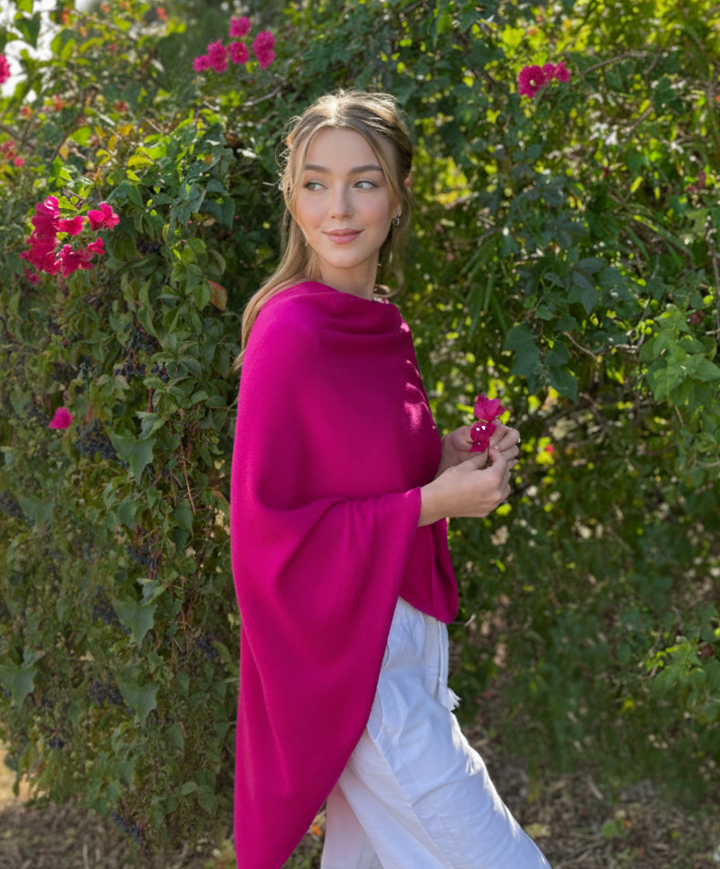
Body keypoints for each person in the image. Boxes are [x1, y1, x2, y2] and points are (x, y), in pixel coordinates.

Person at [229, 90, 551, 869]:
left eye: (364, 181)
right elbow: (268, 533)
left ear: (399, 197)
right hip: (358, 668)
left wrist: (446, 455)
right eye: (315, 182)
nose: (338, 207)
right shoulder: (291, 332)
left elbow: (365, 478)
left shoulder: (381, 324)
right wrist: (436, 502)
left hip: (405, 646)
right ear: (292, 197)